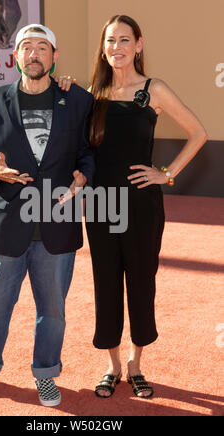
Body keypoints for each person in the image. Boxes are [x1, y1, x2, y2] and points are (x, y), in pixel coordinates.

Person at [0, 24, 95, 407]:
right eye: (26, 47)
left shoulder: (78, 100)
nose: (34, 54)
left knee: (53, 311)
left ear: (54, 56)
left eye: (42, 48)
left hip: (57, 224)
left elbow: (88, 151)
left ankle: (46, 375)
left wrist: (85, 174)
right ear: (15, 56)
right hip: (5, 225)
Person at [83, 14, 207, 399]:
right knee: (105, 283)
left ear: (138, 45)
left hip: (141, 205)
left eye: (124, 39)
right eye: (110, 40)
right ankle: (112, 365)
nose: (116, 47)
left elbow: (198, 133)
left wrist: (165, 174)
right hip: (101, 205)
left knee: (140, 281)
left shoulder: (154, 89)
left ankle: (137, 365)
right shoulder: (94, 93)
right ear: (103, 48)